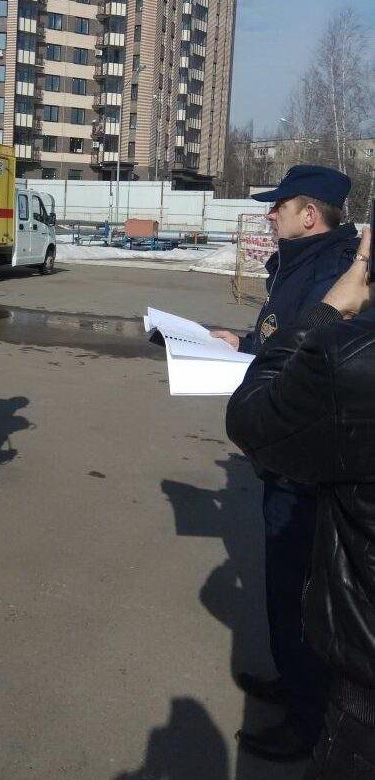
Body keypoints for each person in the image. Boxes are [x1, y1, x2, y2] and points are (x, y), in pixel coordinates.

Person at [212, 165, 361, 761]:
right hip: (283, 452)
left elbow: (317, 352)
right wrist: (243, 345)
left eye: (279, 206)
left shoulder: (337, 273)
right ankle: (294, 682)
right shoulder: (299, 264)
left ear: (309, 215)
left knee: (301, 591)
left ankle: (309, 719)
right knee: (284, 585)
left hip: (306, 462)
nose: (270, 214)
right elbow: (284, 337)